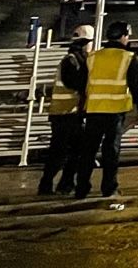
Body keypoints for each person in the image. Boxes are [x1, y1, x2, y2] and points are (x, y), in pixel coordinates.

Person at [71, 20, 138, 200]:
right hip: (115, 112)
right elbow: (136, 83)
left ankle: (81, 189)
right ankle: (109, 188)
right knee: (111, 152)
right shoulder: (128, 57)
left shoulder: (93, 57)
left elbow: (81, 82)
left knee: (88, 152)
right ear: (123, 37)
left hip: (94, 110)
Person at [36, 24, 92, 196]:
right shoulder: (72, 61)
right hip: (65, 114)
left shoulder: (76, 60)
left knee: (76, 151)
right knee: (60, 153)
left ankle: (64, 183)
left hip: (70, 114)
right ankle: (48, 184)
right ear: (86, 43)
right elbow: (75, 83)